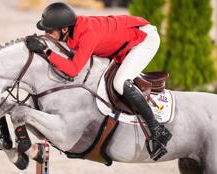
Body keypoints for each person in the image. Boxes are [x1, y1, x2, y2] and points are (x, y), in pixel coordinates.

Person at [25, 2, 172, 160]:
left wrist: (46, 51)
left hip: (144, 40)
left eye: (50, 30)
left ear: (65, 29)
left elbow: (73, 69)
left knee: (120, 82)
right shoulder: (71, 29)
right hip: (126, 39)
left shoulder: (88, 34)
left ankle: (157, 129)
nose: (46, 33)